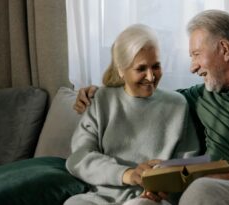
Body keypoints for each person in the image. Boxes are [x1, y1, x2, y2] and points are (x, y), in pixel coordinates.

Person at [74, 10, 229, 205]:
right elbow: (147, 94)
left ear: (224, 49)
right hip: (218, 194)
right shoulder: (200, 95)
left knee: (202, 189)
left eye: (196, 54)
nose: (192, 67)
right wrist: (99, 91)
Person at [64, 24, 199, 205]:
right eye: (141, 69)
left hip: (149, 200)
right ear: (121, 69)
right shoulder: (100, 100)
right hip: (99, 198)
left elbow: (189, 164)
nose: (151, 77)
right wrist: (127, 174)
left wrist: (163, 184)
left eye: (156, 66)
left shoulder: (177, 104)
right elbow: (80, 158)